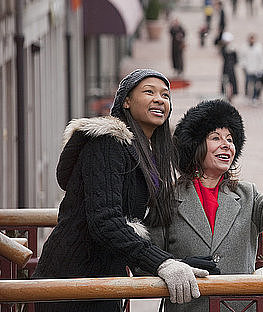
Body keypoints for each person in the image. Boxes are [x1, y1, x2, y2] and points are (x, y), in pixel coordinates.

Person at [32, 69, 209, 311]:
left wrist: (179, 260)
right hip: (72, 281)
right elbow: (105, 221)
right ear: (126, 101)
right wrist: (163, 263)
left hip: (103, 280)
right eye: (149, 92)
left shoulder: (146, 152)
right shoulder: (107, 143)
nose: (160, 99)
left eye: (166, 95)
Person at [149, 99, 263, 311]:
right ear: (195, 146)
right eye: (215, 138)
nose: (226, 144)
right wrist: (178, 266)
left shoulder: (246, 194)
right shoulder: (167, 198)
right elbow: (145, 262)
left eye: (230, 139)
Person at [239, 33, 263, 104]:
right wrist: (243, 66)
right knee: (248, 83)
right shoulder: (244, 47)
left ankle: (255, 97)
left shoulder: (259, 48)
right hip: (248, 69)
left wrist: (261, 69)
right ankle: (248, 96)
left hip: (257, 70)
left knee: (256, 84)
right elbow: (242, 57)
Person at [218, 32, 238, 101]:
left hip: (231, 68)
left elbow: (236, 60)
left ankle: (231, 95)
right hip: (226, 68)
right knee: (224, 82)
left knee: (232, 82)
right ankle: (224, 94)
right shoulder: (223, 48)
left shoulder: (233, 49)